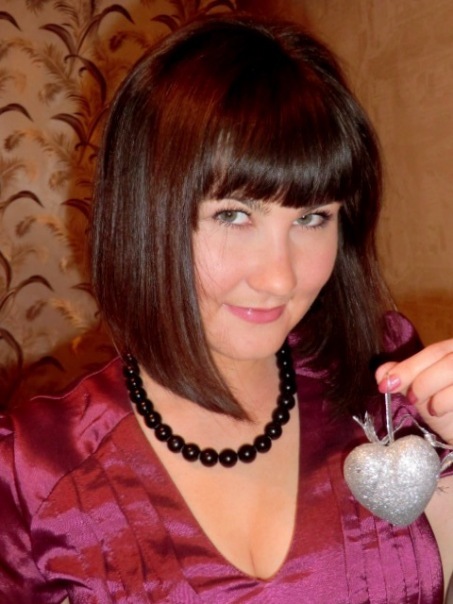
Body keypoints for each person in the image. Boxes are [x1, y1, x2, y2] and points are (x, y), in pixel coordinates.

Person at [0, 13, 452, 604]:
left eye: (313, 218)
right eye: (233, 215)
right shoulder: (33, 470)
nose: (279, 277)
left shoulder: (380, 376)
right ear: (145, 215)